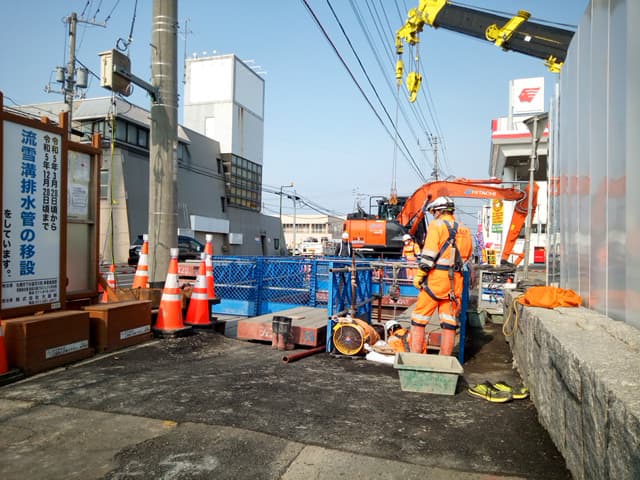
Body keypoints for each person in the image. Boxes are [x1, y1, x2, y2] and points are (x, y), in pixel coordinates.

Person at [410, 196, 472, 356]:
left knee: (419, 319)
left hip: (436, 281)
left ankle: (415, 356)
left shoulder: (436, 226)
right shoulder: (465, 229)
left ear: (438, 211)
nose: (433, 215)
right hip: (455, 283)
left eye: (434, 212)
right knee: (449, 322)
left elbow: (428, 255)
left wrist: (420, 275)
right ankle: (445, 359)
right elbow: (468, 255)